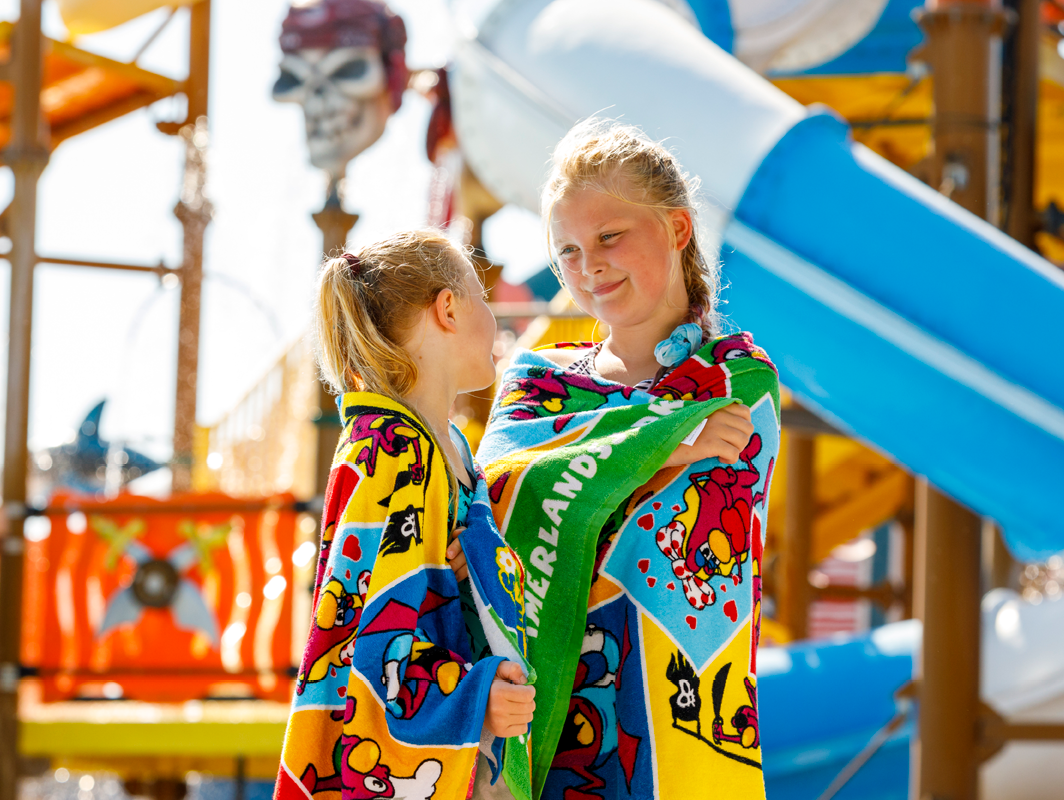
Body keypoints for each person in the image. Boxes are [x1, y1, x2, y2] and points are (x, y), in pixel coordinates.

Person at [477, 121, 782, 799]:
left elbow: (693, 516)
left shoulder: (737, 377)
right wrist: (669, 443)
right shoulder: (535, 381)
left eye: (610, 237)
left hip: (672, 721)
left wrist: (589, 461)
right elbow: (495, 488)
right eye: (568, 252)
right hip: (539, 717)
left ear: (676, 229)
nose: (590, 267)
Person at [274, 230, 537, 800]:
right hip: (414, 763)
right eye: (483, 300)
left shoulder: (448, 450)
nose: (494, 319)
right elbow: (376, 649)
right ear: (448, 308)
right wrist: (475, 697)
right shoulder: (397, 452)